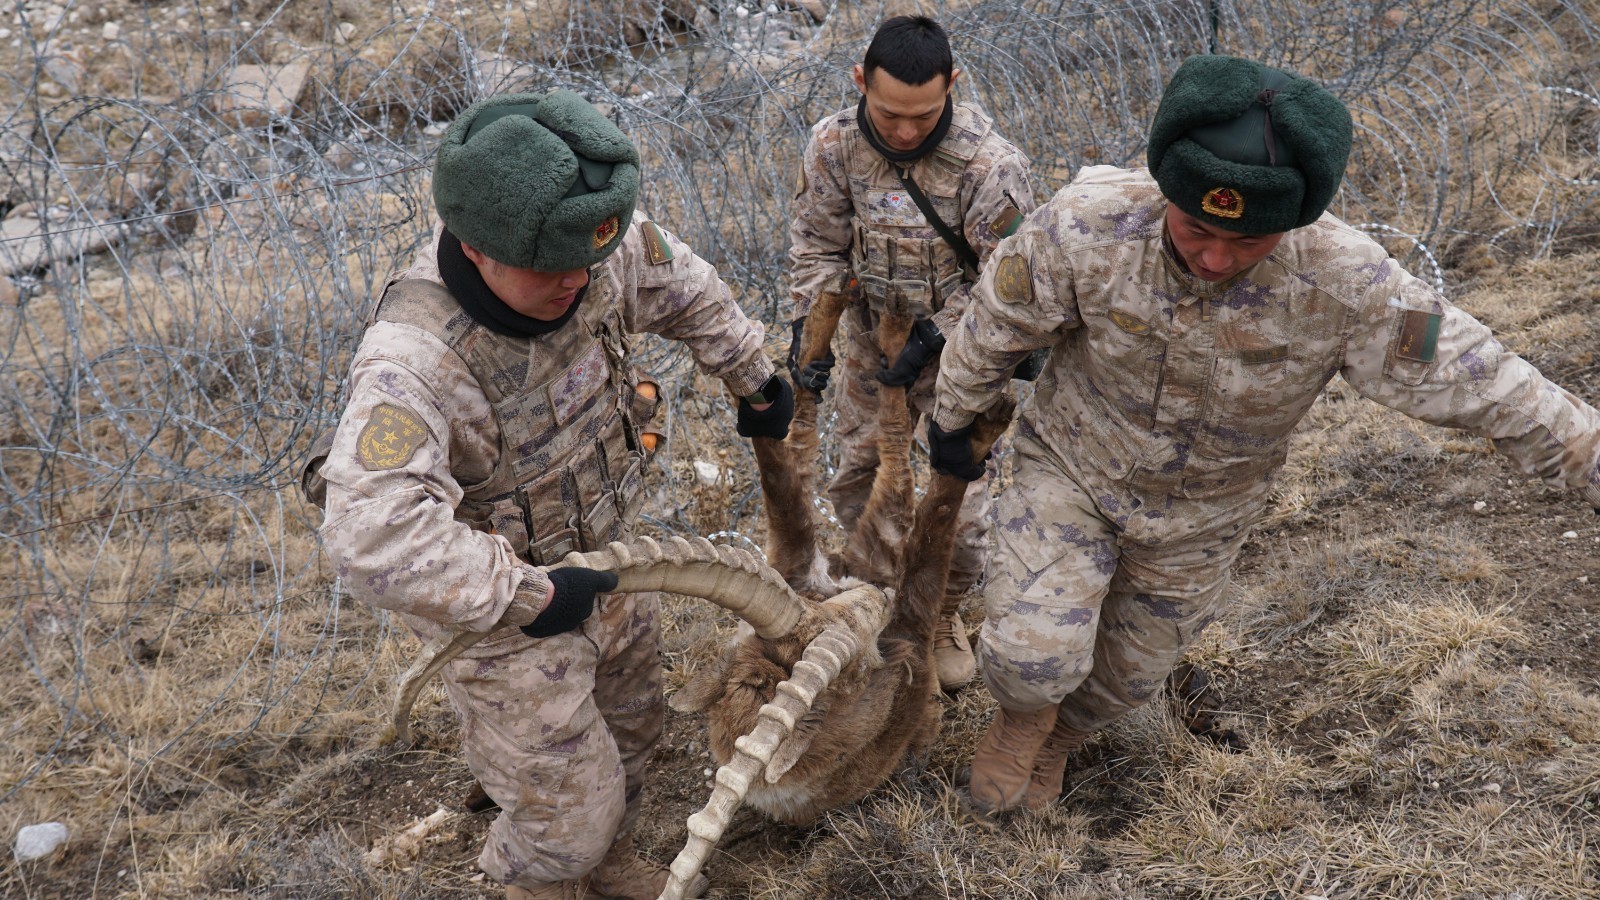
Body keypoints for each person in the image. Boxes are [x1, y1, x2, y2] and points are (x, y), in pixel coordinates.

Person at [927, 54, 1600, 814]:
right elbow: (996, 322)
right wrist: (953, 419)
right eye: (1196, 229)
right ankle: (1022, 725)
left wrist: (1590, 457)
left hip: (1205, 514)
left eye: (1246, 243)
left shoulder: (1345, 280)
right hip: (1071, 470)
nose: (1215, 258)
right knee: (1031, 660)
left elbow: (1481, 376)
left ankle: (1060, 742)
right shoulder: (1087, 225)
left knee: (1124, 681)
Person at [310, 91, 792, 899]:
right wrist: (528, 594)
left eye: (587, 261)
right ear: (477, 244)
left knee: (637, 729)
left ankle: (605, 864)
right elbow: (369, 534)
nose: (576, 281)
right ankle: (540, 879)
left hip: (608, 564)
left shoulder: (585, 252)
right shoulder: (416, 363)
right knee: (565, 812)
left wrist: (751, 376)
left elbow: (684, 283)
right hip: (504, 611)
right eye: (549, 271)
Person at [785, 14, 1036, 690]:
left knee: (961, 499)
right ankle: (884, 588)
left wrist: (937, 335)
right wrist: (809, 337)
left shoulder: (991, 166)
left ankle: (943, 611)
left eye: (922, 117)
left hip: (964, 350)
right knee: (858, 478)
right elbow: (817, 248)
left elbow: (1009, 282)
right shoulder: (833, 147)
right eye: (889, 112)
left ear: (952, 85)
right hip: (873, 339)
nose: (903, 131)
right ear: (860, 81)